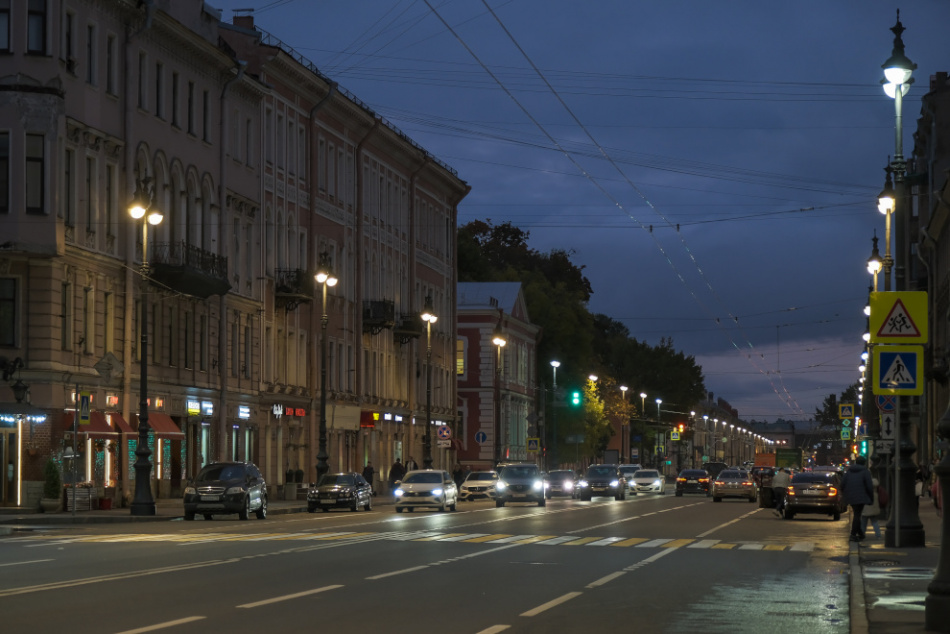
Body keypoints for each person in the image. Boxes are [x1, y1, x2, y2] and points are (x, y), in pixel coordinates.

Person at [842, 455, 874, 542]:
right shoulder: (865, 472)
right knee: (857, 515)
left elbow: (842, 484)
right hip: (861, 496)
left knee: (857, 514)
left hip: (850, 496)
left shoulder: (849, 471)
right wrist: (871, 498)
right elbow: (869, 486)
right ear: (864, 463)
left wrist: (845, 494)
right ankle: (853, 534)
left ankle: (860, 534)